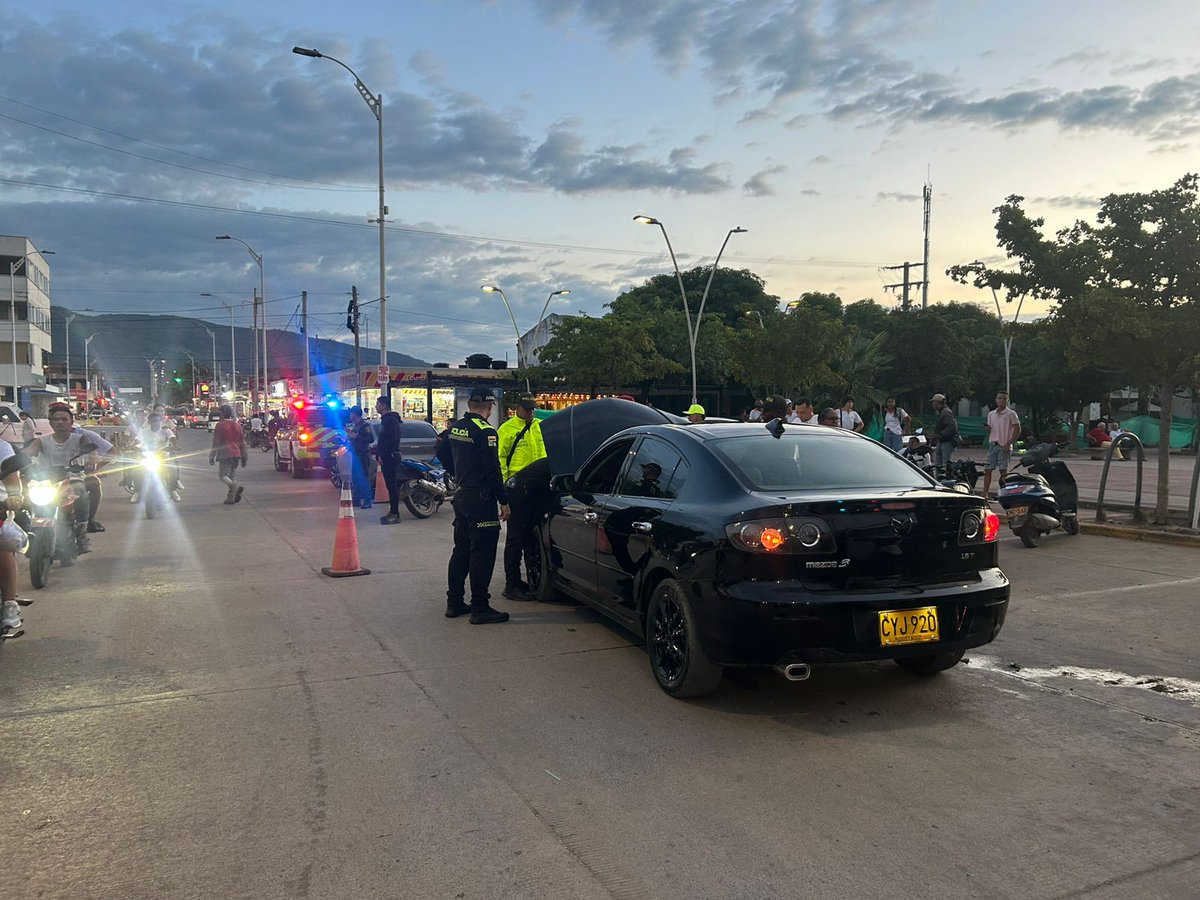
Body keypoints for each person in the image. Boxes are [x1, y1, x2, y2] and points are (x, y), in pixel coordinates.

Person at [438, 389, 510, 624]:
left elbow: (441, 450)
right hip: (480, 500)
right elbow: (492, 470)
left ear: (468, 405)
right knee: (482, 553)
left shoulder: (456, 427)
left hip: (462, 496)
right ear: (490, 407)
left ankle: (455, 602)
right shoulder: (486, 431)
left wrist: (458, 474)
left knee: (461, 549)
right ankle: (480, 607)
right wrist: (504, 500)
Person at [25, 402, 115, 549]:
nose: (60, 422)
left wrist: (92, 461)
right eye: (56, 419)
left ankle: (81, 533)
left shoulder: (80, 439)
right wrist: (16, 462)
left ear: (71, 422)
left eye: (64, 419)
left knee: (80, 490)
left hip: (73, 478)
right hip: (48, 480)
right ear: (51, 422)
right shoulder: (41, 441)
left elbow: (92, 454)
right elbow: (26, 453)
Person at [497, 395, 547, 601]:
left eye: (533, 409)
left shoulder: (541, 426)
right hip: (517, 489)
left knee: (534, 536)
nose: (531, 413)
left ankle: (533, 577)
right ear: (517, 408)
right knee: (516, 537)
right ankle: (512, 583)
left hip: (540, 488)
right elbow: (499, 461)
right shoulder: (507, 430)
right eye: (527, 409)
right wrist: (503, 493)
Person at [0, 438, 30, 633]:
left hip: (0, 504)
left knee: (2, 550)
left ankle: (10, 603)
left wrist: (14, 496)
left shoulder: (2, 447)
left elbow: (12, 478)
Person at [132, 410, 182, 502]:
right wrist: (133, 447)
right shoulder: (143, 432)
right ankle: (138, 491)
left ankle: (173, 490)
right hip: (147, 456)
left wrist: (175, 446)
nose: (156, 423)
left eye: (158, 421)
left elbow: (173, 440)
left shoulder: (166, 431)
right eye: (154, 421)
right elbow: (136, 442)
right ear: (149, 422)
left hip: (163, 457)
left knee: (172, 469)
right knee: (136, 470)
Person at [982, 391, 1021, 499]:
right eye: (999, 398)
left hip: (1004, 445)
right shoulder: (991, 414)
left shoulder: (1011, 414)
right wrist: (988, 429)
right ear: (996, 400)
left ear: (1007, 401)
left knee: (1003, 471)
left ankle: (1005, 493)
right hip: (993, 444)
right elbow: (991, 428)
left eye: (1004, 398)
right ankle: (985, 493)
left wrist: (1008, 443)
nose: (1001, 400)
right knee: (988, 469)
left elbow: (1017, 430)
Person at [208, 405, 246, 504]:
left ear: (222, 413)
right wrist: (244, 456)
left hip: (225, 453)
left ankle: (235, 487)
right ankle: (230, 498)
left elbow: (216, 442)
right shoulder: (237, 425)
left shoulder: (220, 425)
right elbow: (242, 442)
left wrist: (212, 456)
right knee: (232, 476)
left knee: (223, 476)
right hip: (236, 453)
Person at [374, 395, 403, 524]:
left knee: (392, 486)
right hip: (388, 456)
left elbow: (392, 441)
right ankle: (392, 511)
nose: (376, 407)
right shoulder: (386, 420)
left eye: (378, 404)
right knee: (390, 486)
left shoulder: (390, 421)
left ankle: (395, 513)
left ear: (384, 406)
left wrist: (384, 455)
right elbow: (382, 441)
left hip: (390, 457)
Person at [347, 406, 375, 510]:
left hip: (362, 454)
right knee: (355, 478)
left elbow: (370, 439)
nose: (350, 416)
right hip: (355, 454)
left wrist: (356, 437)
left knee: (363, 477)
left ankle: (367, 500)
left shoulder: (364, 426)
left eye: (351, 414)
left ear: (355, 414)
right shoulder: (356, 426)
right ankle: (357, 499)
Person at [930, 393, 959, 475]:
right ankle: (940, 480)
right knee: (939, 463)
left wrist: (940, 434)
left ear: (937, 402)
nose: (932, 404)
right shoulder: (943, 411)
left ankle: (945, 480)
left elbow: (952, 427)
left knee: (945, 464)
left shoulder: (946, 412)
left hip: (947, 441)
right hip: (943, 441)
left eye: (933, 402)